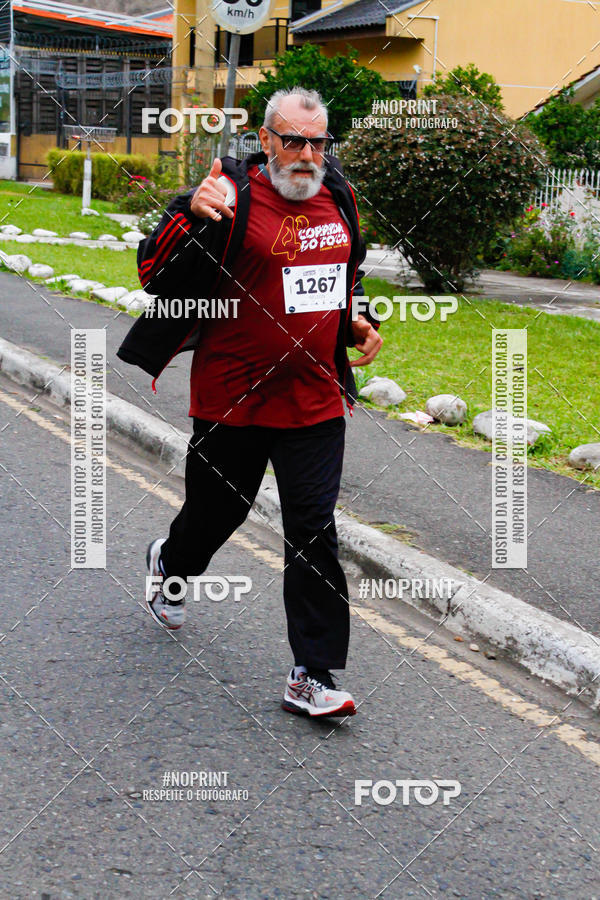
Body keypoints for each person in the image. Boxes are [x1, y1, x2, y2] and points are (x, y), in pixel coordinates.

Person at [117, 86, 382, 718]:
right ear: (265, 140)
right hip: (233, 397)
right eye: (293, 141)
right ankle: (171, 562)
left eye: (318, 143)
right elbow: (151, 270)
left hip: (314, 400)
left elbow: (346, 276)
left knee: (314, 532)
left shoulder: (338, 197)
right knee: (216, 516)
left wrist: (358, 319)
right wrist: (188, 211)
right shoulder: (229, 196)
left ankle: (311, 674)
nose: (306, 155)